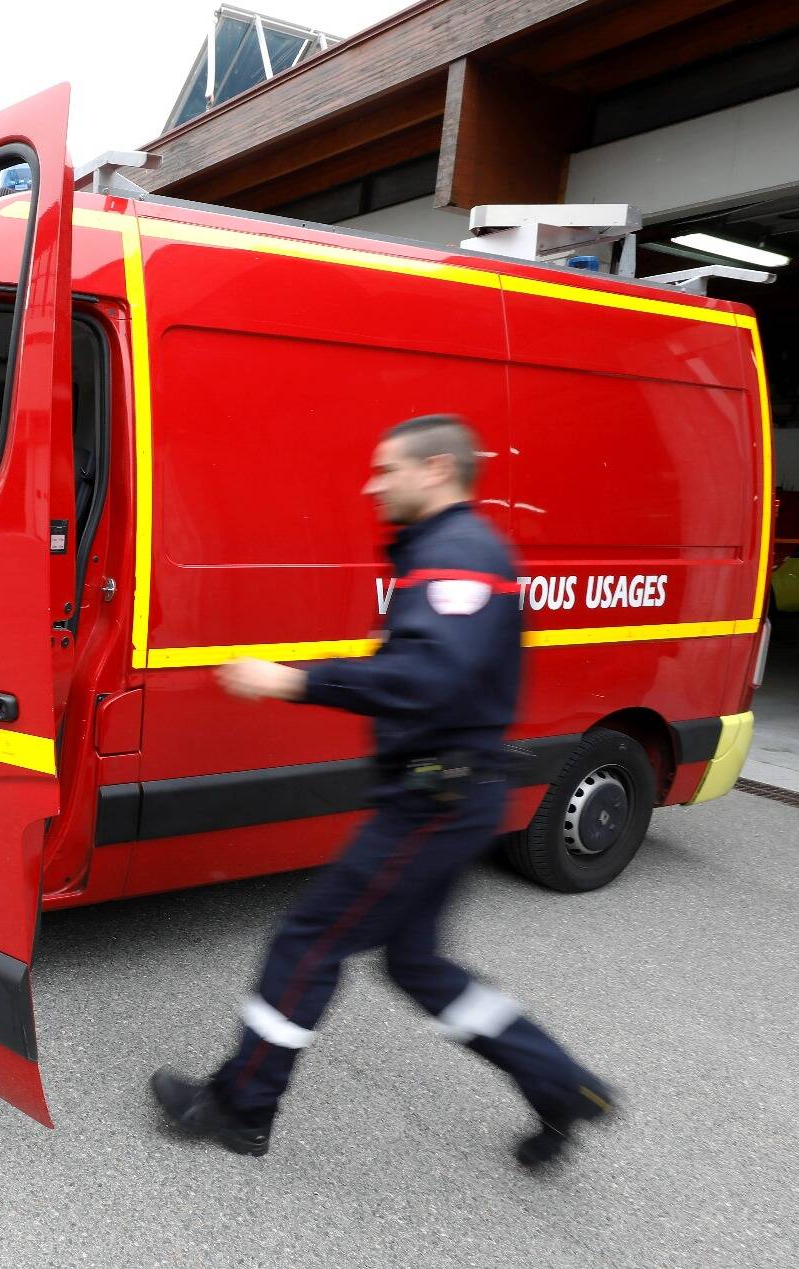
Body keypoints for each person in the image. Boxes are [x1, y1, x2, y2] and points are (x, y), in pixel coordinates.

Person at [150, 414, 615, 1166]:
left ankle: (240, 1107)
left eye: (386, 469)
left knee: (309, 940)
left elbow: (428, 677)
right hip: (453, 794)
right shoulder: (448, 550)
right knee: (417, 965)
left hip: (434, 802)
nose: (372, 485)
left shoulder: (457, 553)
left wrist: (292, 681)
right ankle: (559, 1084)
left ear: (437, 470)